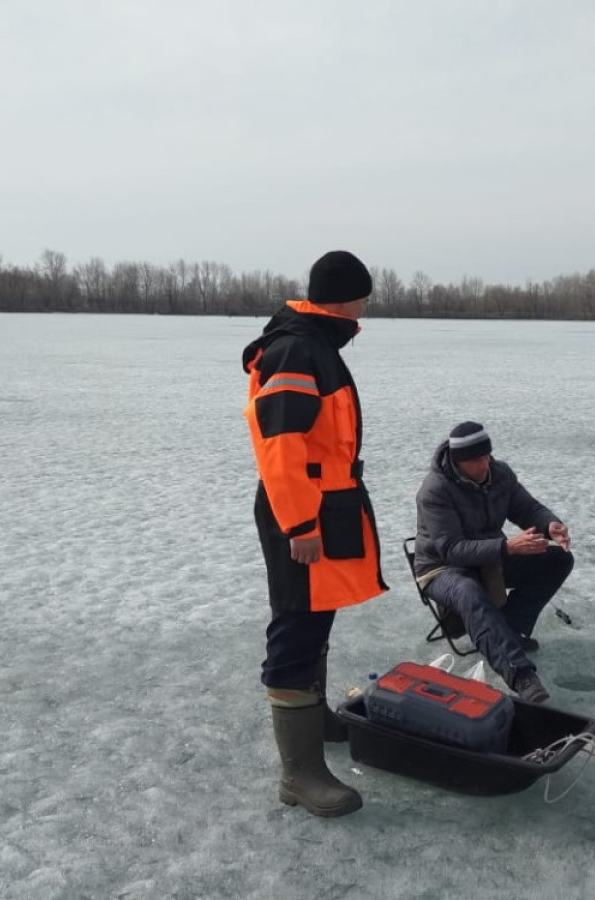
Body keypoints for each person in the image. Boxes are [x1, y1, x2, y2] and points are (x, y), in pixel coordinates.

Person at [241, 250, 387, 818]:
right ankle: (298, 775)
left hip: (329, 505)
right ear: (346, 298)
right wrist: (299, 522)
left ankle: (315, 716)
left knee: (317, 612)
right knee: (297, 623)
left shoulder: (314, 343)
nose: (365, 312)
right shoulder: (299, 349)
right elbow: (281, 447)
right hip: (305, 512)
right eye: (363, 300)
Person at [413, 421, 573, 704]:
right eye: (476, 460)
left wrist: (550, 525)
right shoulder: (435, 490)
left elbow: (527, 508)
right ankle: (520, 674)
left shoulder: (499, 474)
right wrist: (507, 546)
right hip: (441, 568)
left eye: (487, 456)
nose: (485, 464)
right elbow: (452, 549)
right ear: (458, 461)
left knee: (558, 560)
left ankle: (507, 631)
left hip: (491, 557)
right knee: (468, 591)